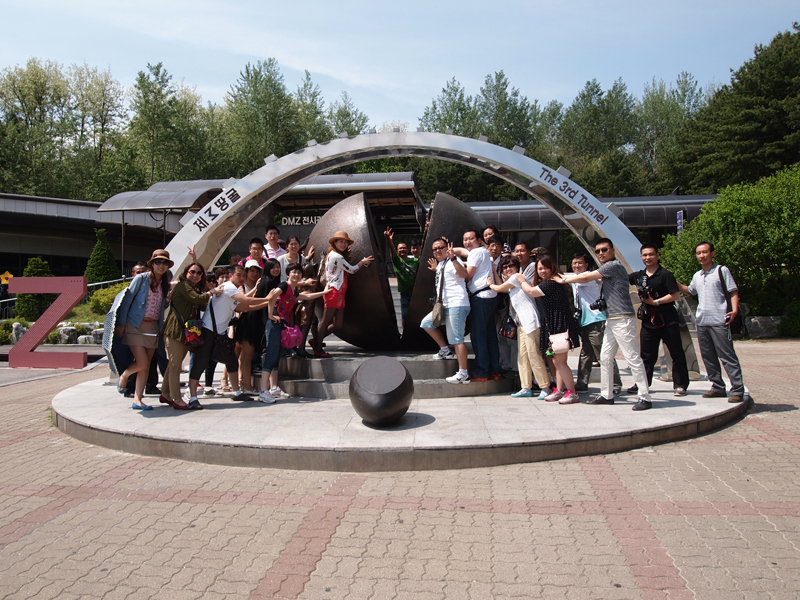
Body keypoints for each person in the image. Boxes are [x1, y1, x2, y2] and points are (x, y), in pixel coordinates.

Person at [559, 238, 653, 411]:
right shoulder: (609, 270)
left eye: (604, 250)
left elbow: (586, 277)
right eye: (598, 251)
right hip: (611, 319)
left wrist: (562, 280)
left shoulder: (613, 266)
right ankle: (606, 395)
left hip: (622, 318)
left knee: (632, 357)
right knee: (605, 357)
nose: (601, 253)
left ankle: (644, 397)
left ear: (613, 250)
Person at [186, 265, 274, 408]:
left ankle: (236, 392)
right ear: (231, 275)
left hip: (219, 334)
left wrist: (268, 301)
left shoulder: (231, 291)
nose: (242, 278)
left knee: (232, 361)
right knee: (200, 363)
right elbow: (246, 301)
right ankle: (192, 398)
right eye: (239, 275)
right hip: (209, 331)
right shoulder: (228, 287)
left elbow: (245, 307)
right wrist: (268, 298)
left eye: (243, 276)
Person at [678, 242, 745, 403]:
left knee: (727, 355)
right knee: (708, 356)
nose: (701, 256)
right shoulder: (697, 275)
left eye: (705, 252)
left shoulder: (722, 271)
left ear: (712, 253)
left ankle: (737, 389)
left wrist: (734, 310)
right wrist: (675, 283)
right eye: (698, 253)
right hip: (702, 321)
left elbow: (733, 291)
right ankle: (717, 386)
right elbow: (690, 291)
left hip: (720, 320)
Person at [258, 263, 332, 403]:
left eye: (298, 272)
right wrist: (270, 315)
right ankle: (263, 391)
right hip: (274, 325)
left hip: (282, 326)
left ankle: (273, 388)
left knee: (277, 357)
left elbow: (307, 297)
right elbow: (271, 297)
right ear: (288, 274)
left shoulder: (293, 291)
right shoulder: (284, 286)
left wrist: (324, 293)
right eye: (293, 272)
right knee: (271, 356)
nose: (296, 275)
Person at [628, 245, 690, 397]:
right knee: (646, 355)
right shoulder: (639, 276)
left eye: (651, 254)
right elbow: (620, 279)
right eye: (644, 255)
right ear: (641, 257)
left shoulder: (666, 274)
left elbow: (675, 295)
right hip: (648, 320)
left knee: (676, 352)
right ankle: (643, 383)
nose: (647, 258)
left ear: (657, 255)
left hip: (667, 319)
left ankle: (680, 385)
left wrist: (655, 302)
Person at [115, 250, 172, 410]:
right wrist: (122, 322)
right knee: (143, 362)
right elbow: (127, 301)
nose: (161, 266)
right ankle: (125, 375)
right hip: (135, 324)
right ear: (152, 264)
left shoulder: (165, 283)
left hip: (153, 326)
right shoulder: (141, 279)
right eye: (158, 262)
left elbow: (161, 305)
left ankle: (137, 399)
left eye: (165, 263)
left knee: (145, 366)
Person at [161, 262, 221, 410]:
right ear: (186, 272)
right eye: (192, 271)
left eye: (199, 273)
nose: (195, 275)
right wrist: (211, 292)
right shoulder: (183, 285)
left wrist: (208, 294)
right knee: (175, 366)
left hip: (186, 331)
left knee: (174, 363)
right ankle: (177, 398)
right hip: (176, 330)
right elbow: (197, 299)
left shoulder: (194, 288)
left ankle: (165, 393)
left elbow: (201, 304)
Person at [488, 255, 550, 398]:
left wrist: (489, 284)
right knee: (522, 356)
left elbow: (499, 288)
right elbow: (504, 288)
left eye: (511, 265)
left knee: (534, 355)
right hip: (521, 323)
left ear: (517, 267)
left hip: (531, 321)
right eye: (505, 267)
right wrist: (495, 272)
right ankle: (526, 387)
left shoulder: (517, 277)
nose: (508, 269)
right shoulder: (513, 282)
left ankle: (545, 387)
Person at [524, 255, 579, 403]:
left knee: (560, 362)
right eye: (540, 269)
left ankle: (572, 392)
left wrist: (521, 280)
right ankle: (560, 390)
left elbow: (531, 291)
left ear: (552, 268)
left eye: (545, 268)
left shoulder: (551, 283)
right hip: (553, 326)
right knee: (556, 361)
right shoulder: (551, 282)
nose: (542, 271)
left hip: (559, 326)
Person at [310, 230, 374, 359]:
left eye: (345, 242)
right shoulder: (336, 256)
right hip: (334, 292)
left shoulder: (337, 256)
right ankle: (318, 348)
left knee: (338, 324)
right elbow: (352, 269)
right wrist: (362, 262)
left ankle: (316, 340)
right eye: (341, 242)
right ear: (335, 242)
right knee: (326, 321)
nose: (343, 244)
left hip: (339, 292)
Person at [419, 238, 471, 384]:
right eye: (435, 249)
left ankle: (463, 373)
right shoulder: (442, 264)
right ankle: (445, 350)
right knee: (426, 323)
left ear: (447, 248)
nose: (437, 251)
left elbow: (463, 274)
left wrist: (453, 258)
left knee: (457, 340)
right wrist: (436, 269)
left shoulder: (454, 260)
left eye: (440, 247)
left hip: (456, 304)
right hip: (444, 305)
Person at [570, 252, 622, 396]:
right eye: (574, 263)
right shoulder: (575, 279)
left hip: (596, 320)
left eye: (580, 263)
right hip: (584, 321)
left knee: (603, 354)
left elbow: (576, 279)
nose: (576, 265)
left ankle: (615, 385)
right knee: (586, 354)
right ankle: (582, 384)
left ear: (587, 265)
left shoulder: (588, 276)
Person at [463, 229, 500, 381]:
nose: (467, 242)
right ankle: (494, 369)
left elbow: (467, 275)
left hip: (480, 298)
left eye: (471, 238)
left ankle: (480, 371)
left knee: (478, 335)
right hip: (490, 296)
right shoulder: (484, 252)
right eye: (465, 239)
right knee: (490, 335)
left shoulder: (476, 252)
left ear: (479, 240)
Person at [235, 259, 273, 395]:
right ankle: (246, 386)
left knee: (246, 355)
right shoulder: (241, 286)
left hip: (254, 322)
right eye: (252, 271)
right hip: (246, 322)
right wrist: (268, 300)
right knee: (246, 355)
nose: (254, 274)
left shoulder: (259, 283)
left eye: (257, 271)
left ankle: (244, 383)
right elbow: (246, 303)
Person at [384, 226, 419, 329]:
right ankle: (404, 335)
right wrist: (389, 241)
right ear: (398, 251)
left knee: (417, 316)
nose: (402, 250)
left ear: (408, 250)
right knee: (404, 316)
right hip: (405, 294)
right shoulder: (397, 262)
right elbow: (392, 250)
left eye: (404, 248)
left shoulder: (415, 261)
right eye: (400, 248)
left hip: (416, 293)